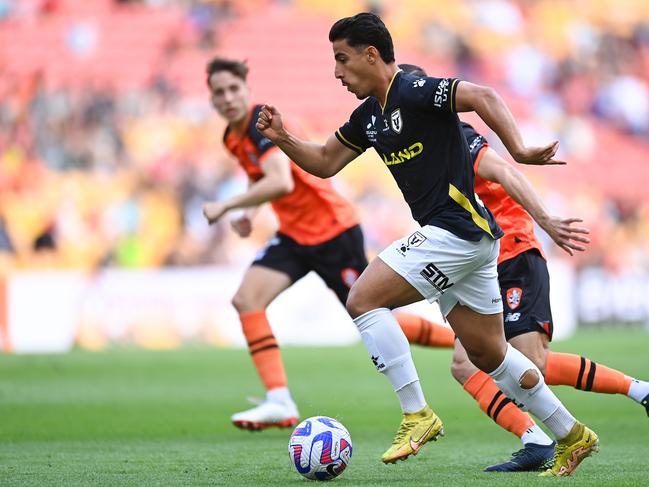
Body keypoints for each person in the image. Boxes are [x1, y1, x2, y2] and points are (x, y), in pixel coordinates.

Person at [256, 12, 598, 476]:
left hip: (453, 232)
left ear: (371, 54)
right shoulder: (367, 118)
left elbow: (483, 95)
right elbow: (323, 162)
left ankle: (417, 413)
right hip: (470, 245)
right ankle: (571, 434)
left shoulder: (413, 90)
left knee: (363, 298)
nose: (336, 73)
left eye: (342, 59)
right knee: (490, 355)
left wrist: (517, 149)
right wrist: (282, 138)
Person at [396, 63, 649, 472]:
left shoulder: (455, 136)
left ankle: (639, 391)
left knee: (534, 366)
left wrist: (546, 220)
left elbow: (504, 172)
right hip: (473, 261)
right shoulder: (414, 145)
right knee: (466, 363)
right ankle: (535, 439)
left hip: (510, 250)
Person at [202, 58, 455, 431]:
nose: (227, 98)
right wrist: (252, 213)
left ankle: (465, 340)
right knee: (247, 300)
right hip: (295, 234)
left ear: (247, 90)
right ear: (211, 99)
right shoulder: (232, 136)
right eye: (219, 92)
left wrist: (226, 205)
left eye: (233, 89)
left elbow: (281, 181)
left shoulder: (260, 124)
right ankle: (279, 400)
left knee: (377, 317)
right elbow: (264, 179)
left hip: (334, 232)